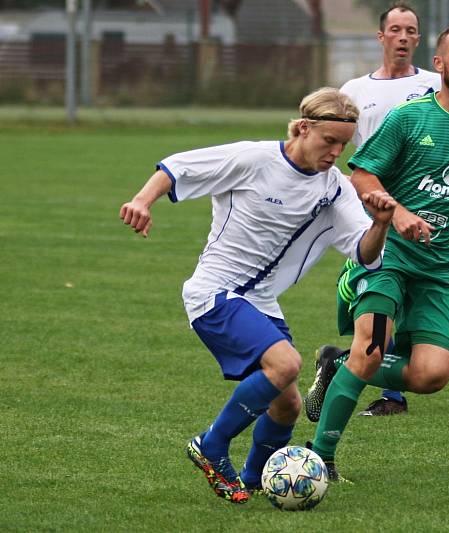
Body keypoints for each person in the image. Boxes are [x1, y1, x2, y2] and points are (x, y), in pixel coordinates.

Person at [118, 87, 396, 503]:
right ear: (303, 128)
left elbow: (363, 252)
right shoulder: (254, 159)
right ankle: (211, 446)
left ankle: (252, 479)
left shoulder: (334, 187)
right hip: (215, 292)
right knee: (287, 364)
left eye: (344, 143)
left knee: (288, 406)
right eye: (329, 140)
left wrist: (381, 224)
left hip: (261, 301)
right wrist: (142, 201)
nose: (337, 151)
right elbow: (177, 169)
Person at [305, 24, 449, 482]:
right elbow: (361, 174)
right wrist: (395, 212)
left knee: (431, 375)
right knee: (373, 350)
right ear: (439, 64)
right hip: (387, 258)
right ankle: (320, 457)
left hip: (438, 271)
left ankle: (334, 363)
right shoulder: (409, 118)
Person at [280, 2, 449, 418]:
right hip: (372, 209)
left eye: (411, 30)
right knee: (384, 294)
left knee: (425, 291)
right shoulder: (356, 90)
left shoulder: (436, 85)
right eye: (396, 29)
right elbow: (334, 141)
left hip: (429, 206)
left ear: (419, 40)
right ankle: (393, 387)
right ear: (382, 37)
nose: (404, 37)